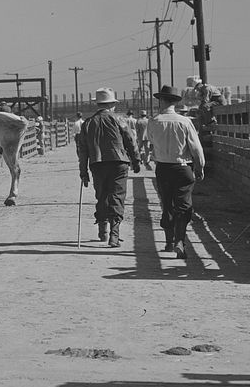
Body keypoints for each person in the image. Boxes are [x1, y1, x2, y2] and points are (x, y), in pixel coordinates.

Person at [146, 85, 206, 260]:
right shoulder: (185, 122)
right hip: (183, 167)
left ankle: (169, 241)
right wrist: (200, 167)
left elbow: (150, 140)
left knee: (167, 203)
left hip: (163, 168)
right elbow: (196, 148)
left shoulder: (154, 121)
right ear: (175, 102)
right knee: (183, 206)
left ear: (162, 100)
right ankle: (180, 240)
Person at [77, 88, 141, 247]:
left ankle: (102, 230)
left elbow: (82, 150)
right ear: (112, 105)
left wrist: (83, 172)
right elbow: (130, 141)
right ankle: (114, 234)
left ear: (97, 104)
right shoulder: (119, 120)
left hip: (97, 163)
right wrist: (136, 160)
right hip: (119, 162)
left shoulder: (88, 123)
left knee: (102, 195)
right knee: (117, 196)